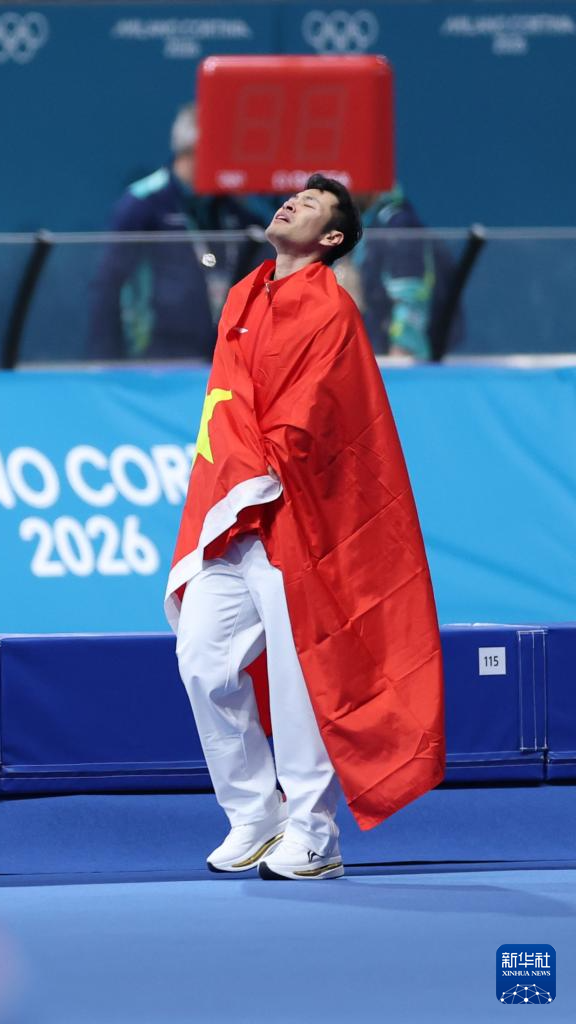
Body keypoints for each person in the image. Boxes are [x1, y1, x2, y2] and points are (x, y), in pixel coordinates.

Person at [164, 175, 445, 880]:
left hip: (297, 519)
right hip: (234, 513)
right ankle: (254, 814)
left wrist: (257, 476)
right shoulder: (243, 294)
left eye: (313, 205)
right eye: (295, 196)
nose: (292, 202)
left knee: (298, 683)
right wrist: (232, 487)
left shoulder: (332, 311)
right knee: (202, 660)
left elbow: (309, 423)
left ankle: (315, 837)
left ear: (331, 239)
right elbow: (226, 405)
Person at [86, 104, 265, 359]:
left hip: (219, 354)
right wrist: (105, 362)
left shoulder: (232, 207)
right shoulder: (143, 202)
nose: (229, 160)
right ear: (193, 150)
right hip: (156, 356)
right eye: (221, 151)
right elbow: (107, 284)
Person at [342, 185, 460, 360]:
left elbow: (411, 297)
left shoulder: (399, 225)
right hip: (374, 357)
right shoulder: (367, 224)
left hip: (395, 364)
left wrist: (401, 358)